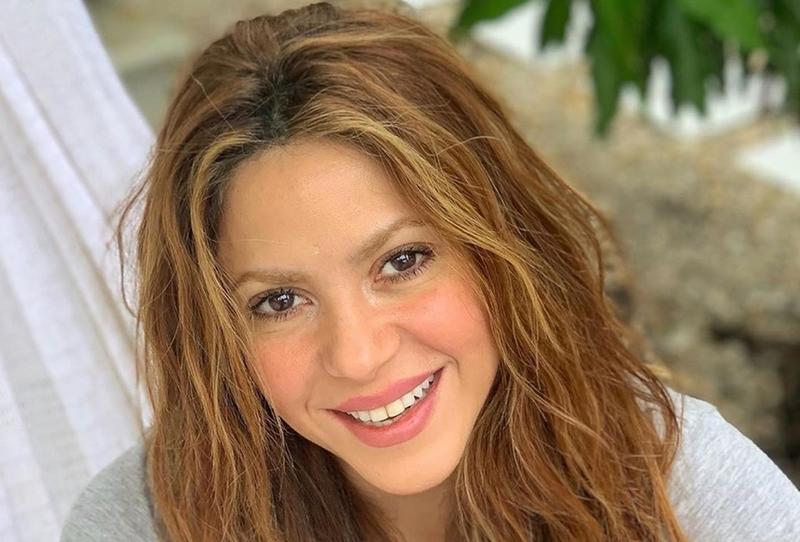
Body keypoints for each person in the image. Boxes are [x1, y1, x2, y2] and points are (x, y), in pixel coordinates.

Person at [60, 2, 800, 541]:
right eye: (279, 300)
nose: (358, 355)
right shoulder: (148, 522)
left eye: (402, 262)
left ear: (503, 248)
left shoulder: (688, 497)